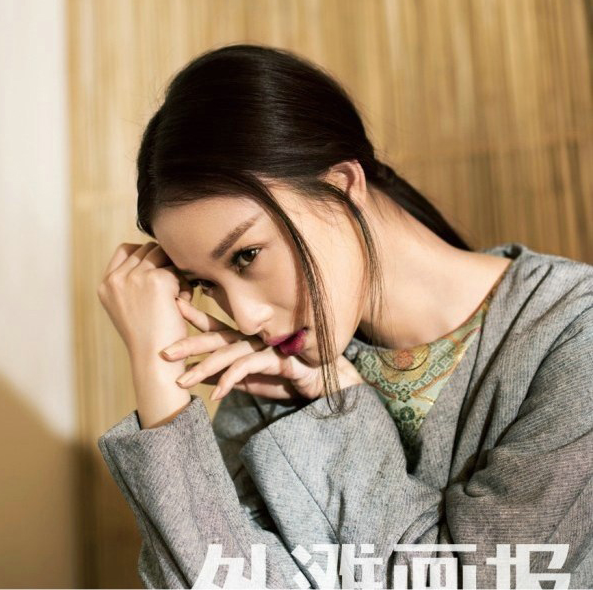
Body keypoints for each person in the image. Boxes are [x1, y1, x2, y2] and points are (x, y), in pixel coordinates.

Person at [96, 43, 593, 590]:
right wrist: (158, 376)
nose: (246, 317)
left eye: (247, 255)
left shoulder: (573, 334)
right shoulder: (273, 378)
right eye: (206, 284)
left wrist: (338, 408)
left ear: (342, 188)